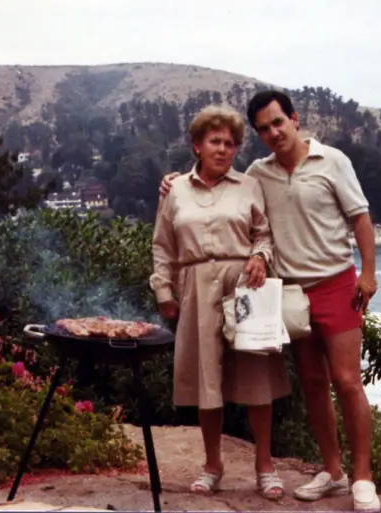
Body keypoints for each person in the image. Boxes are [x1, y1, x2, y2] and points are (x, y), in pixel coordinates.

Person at [159, 91, 380, 512]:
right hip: (291, 292)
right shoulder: (259, 173)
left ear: (295, 119)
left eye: (278, 122)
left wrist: (368, 274)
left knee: (348, 382)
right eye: (263, 128)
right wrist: (172, 180)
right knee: (314, 385)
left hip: (336, 283)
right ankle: (333, 473)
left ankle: (363, 477)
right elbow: (218, 189)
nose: (273, 132)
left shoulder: (333, 161)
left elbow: (361, 218)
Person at [150, 104, 291, 500]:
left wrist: (259, 257)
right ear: (197, 145)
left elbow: (263, 234)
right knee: (206, 381)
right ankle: (213, 464)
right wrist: (164, 291)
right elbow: (162, 245)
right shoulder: (175, 190)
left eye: (230, 143)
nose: (223, 149)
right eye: (215, 141)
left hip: (244, 284)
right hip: (195, 286)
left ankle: (265, 465)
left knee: (255, 377)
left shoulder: (248, 185)